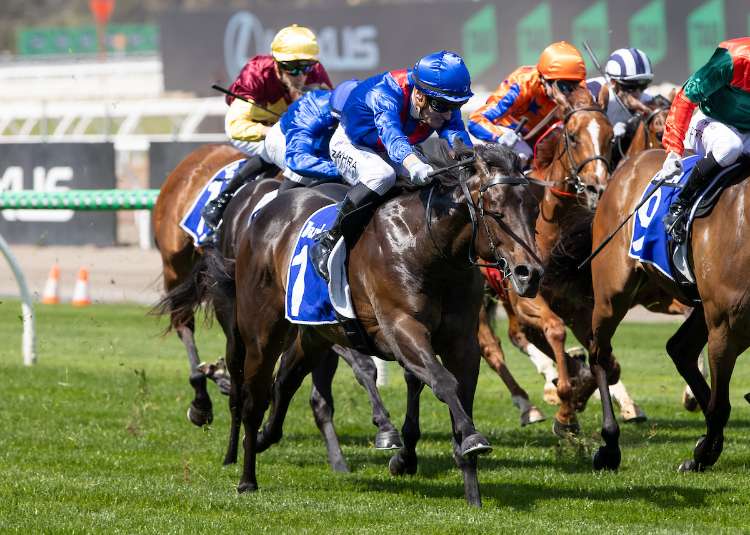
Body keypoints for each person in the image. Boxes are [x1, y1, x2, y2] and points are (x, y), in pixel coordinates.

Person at [309, 50, 474, 281]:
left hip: (390, 148)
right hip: (353, 143)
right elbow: (392, 136)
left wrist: (471, 161)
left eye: (456, 106)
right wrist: (413, 163)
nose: (448, 115)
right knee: (382, 175)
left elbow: (456, 134)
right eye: (442, 106)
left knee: (437, 179)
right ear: (419, 96)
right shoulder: (385, 93)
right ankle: (328, 240)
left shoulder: (441, 101)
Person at [202, 24, 332, 230]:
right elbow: (235, 126)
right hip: (252, 128)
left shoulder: (316, 73)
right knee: (278, 148)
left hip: (289, 127)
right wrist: (273, 132)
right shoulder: (256, 74)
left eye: (306, 67)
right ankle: (223, 199)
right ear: (276, 63)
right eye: (292, 68)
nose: (300, 75)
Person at [661, 37, 750, 243]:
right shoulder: (733, 59)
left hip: (746, 130)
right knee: (730, 146)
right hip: (711, 121)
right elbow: (685, 97)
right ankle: (680, 204)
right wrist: (673, 150)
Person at [467, 41, 586, 162]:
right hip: (511, 134)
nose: (568, 94)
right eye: (563, 86)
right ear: (544, 79)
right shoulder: (522, 84)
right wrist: (499, 136)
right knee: (524, 155)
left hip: (542, 140)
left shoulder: (580, 90)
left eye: (574, 86)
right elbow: (475, 120)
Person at [274, 79, 359, 192]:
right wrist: (342, 171)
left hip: (324, 140)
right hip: (286, 141)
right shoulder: (309, 115)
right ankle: (275, 200)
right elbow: (298, 160)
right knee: (301, 177)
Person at [587, 48, 655, 166]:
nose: (638, 93)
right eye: (631, 87)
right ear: (613, 82)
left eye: (643, 86)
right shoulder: (592, 91)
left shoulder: (647, 99)